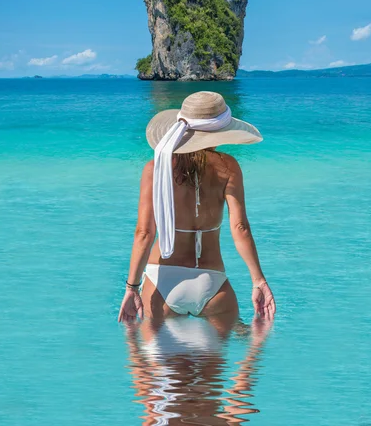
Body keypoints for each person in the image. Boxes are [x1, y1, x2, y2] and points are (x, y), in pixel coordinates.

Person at [118, 91, 275, 325]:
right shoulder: (228, 166)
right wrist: (258, 280)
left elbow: (144, 233)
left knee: (147, 361)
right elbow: (240, 227)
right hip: (212, 283)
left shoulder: (155, 169)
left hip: (161, 284)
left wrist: (132, 288)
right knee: (242, 349)